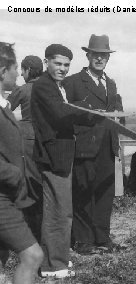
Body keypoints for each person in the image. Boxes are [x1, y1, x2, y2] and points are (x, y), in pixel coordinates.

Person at [31, 44, 96, 278]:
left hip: (60, 153)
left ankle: (56, 259)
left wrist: (92, 117)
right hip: (54, 154)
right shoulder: (43, 86)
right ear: (46, 61)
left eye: (67, 65)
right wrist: (89, 110)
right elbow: (61, 113)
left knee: (58, 209)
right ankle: (53, 265)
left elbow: (65, 114)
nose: (62, 69)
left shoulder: (54, 86)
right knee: (59, 211)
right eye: (58, 63)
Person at [63, 34, 125, 255]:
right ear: (88, 55)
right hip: (85, 148)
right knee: (82, 193)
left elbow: (118, 115)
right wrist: (85, 110)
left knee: (104, 194)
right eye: (96, 55)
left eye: (104, 55)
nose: (100, 59)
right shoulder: (73, 82)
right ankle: (83, 240)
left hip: (107, 147)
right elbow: (65, 113)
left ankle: (102, 238)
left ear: (108, 58)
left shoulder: (111, 83)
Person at [0, 41, 44, 284]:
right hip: (2, 197)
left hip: (8, 194)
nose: (19, 73)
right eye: (15, 68)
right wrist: (15, 174)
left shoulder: (4, 105)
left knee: (2, 257)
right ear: (2, 71)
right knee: (33, 256)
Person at [7, 55, 44, 242]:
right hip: (48, 139)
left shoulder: (23, 89)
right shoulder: (49, 87)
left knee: (30, 183)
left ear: (28, 70)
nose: (21, 74)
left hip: (28, 140)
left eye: (23, 70)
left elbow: (5, 109)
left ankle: (32, 230)